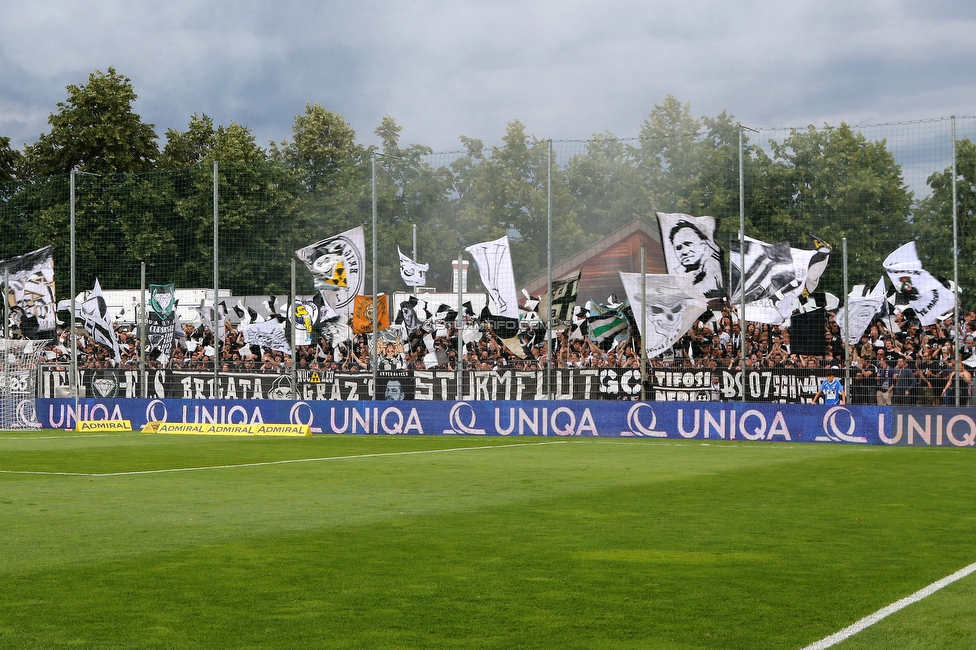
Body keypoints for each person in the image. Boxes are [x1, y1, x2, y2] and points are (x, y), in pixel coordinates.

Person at [668, 221, 723, 297]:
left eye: (688, 244)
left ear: (703, 245)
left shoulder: (712, 264)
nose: (684, 251)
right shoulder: (683, 274)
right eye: (678, 248)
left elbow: (710, 287)